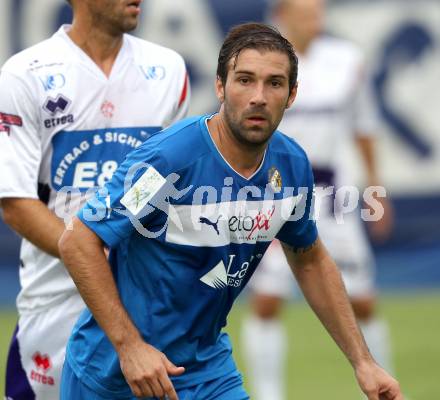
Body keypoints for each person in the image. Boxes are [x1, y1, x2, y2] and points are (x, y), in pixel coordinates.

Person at [58, 22, 402, 400]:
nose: (259, 96)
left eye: (274, 83)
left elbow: (309, 258)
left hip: (206, 371)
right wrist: (130, 347)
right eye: (244, 80)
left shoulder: (290, 166)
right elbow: (79, 240)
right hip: (115, 375)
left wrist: (363, 362)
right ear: (220, 87)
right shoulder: (167, 161)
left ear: (291, 95)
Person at [0, 0, 189, 397]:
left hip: (146, 311)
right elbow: (15, 201)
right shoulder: (25, 74)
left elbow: (169, 180)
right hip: (56, 314)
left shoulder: (168, 70)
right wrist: (92, 254)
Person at [241, 1, 394, 399]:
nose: (316, 20)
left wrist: (376, 185)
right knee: (268, 301)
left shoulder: (346, 61)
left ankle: (386, 387)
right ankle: (269, 395)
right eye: (306, 12)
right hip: (278, 194)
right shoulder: (265, 65)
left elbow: (364, 125)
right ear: (282, 15)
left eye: (319, 12)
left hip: (334, 197)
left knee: (360, 298)